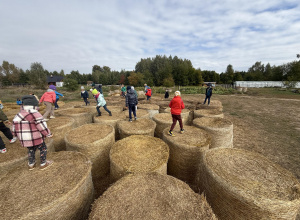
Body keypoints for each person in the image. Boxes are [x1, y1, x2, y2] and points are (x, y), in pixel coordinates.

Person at [12, 95, 53, 170]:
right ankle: (43, 163)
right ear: (34, 104)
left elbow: (14, 126)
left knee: (31, 149)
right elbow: (41, 125)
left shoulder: (19, 114)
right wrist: (48, 134)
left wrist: (14, 135)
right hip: (35, 137)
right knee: (43, 148)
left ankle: (31, 164)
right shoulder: (34, 113)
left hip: (25, 138)